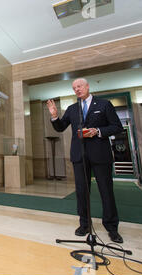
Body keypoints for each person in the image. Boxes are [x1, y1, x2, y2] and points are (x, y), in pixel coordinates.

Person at [47, 78, 124, 243]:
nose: (77, 90)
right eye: (74, 88)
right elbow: (61, 127)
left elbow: (117, 127)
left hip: (100, 154)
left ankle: (112, 228)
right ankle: (84, 224)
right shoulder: (72, 109)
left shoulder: (104, 104)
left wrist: (97, 131)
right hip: (79, 155)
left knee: (106, 191)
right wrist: (54, 116)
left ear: (87, 86)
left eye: (79, 86)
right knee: (82, 192)